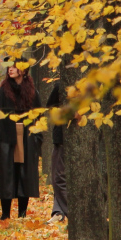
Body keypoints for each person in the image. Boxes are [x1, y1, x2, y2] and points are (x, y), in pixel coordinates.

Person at [0, 64, 40, 220]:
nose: (10, 69)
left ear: (23, 70)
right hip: (7, 137)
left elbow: (38, 116)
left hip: (26, 137)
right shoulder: (2, 92)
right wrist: (0, 141)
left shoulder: (32, 92)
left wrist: (36, 139)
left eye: (14, 66)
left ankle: (22, 214)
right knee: (7, 174)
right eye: (9, 67)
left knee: (24, 174)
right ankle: (5, 214)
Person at [46, 81, 68, 222]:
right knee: (58, 176)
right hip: (61, 137)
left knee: (59, 178)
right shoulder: (61, 85)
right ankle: (59, 212)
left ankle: (65, 211)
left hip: (83, 139)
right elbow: (51, 105)